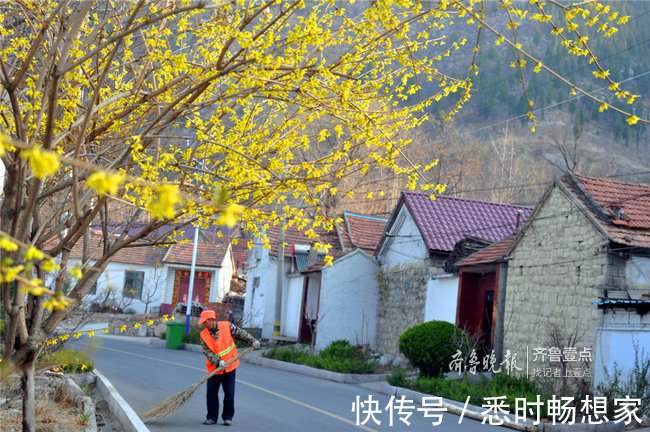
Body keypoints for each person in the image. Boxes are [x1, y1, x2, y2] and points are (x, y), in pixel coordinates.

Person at [198, 309, 260, 426]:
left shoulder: (227, 326)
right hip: (214, 369)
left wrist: (253, 341)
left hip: (230, 367)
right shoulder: (203, 335)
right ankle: (211, 417)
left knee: (229, 395)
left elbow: (241, 334)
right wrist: (218, 362)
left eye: (205, 322)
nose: (203, 325)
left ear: (211, 320)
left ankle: (227, 417)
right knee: (211, 395)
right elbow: (207, 352)